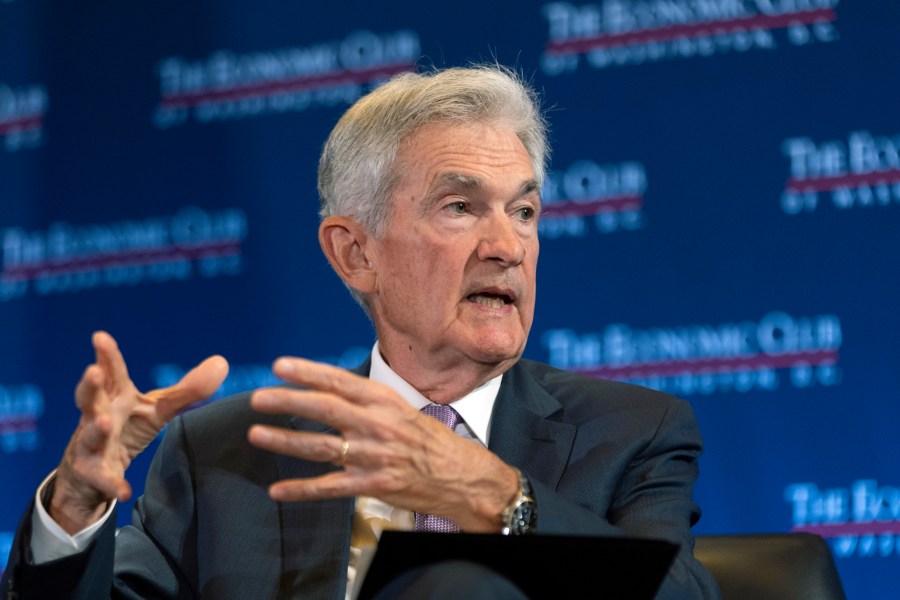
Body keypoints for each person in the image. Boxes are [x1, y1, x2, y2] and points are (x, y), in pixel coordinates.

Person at [1, 65, 721, 599]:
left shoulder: (632, 433)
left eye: (525, 211)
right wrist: (72, 508)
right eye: (461, 207)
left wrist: (502, 500)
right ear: (356, 251)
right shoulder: (225, 455)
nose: (509, 246)